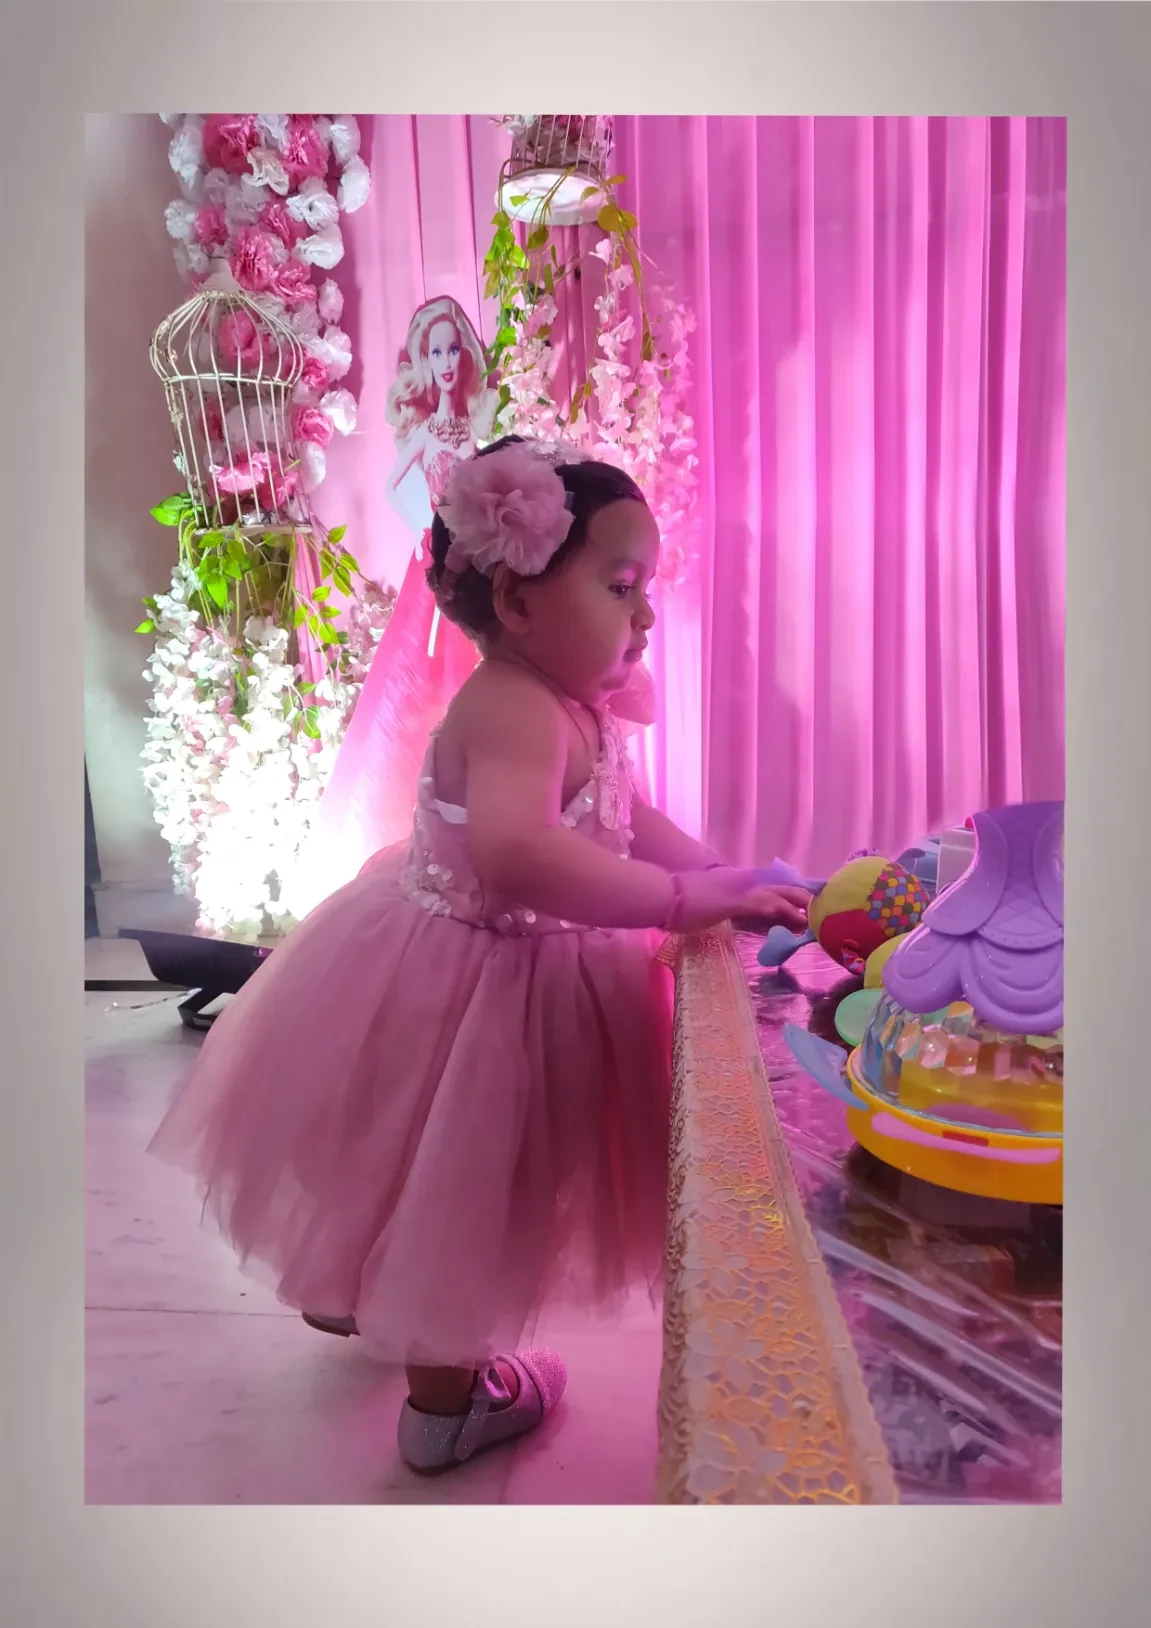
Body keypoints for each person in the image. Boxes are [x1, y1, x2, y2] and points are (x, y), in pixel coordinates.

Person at [150, 437, 811, 1475]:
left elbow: (621, 815)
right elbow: (517, 851)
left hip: (488, 969)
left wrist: (726, 873)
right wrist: (683, 901)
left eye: (645, 588)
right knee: (467, 1195)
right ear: (513, 601)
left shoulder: (572, 704)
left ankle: (365, 1286)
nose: (644, 614)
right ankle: (445, 1407)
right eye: (620, 586)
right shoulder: (510, 705)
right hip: (475, 981)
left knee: (404, 1160)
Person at [304, 297, 495, 890]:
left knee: (481, 672)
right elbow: (393, 485)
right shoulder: (428, 433)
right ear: (424, 361)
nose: (446, 361)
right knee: (423, 681)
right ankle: (417, 823)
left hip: (477, 562)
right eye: (436, 352)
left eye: (453, 349)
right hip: (436, 563)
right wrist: (424, 528)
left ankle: (486, 813)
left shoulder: (473, 430)